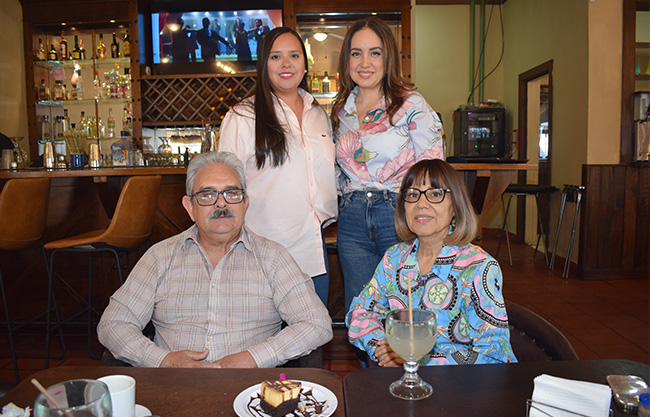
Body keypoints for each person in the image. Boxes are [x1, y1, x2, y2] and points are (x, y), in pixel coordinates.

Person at [97, 151, 333, 368]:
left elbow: (316, 323)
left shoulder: (273, 258)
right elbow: (113, 324)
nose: (221, 203)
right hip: (172, 387)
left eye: (232, 193)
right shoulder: (160, 257)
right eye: (207, 194)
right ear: (190, 207)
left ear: (245, 203)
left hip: (250, 390)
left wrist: (255, 358)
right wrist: (163, 361)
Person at [346, 159, 517, 366]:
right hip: (400, 379)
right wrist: (384, 348)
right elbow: (360, 311)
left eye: (435, 194)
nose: (421, 204)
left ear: (456, 206)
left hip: (459, 383)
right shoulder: (394, 259)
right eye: (412, 194)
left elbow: (495, 354)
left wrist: (418, 361)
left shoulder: (478, 267)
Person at [331, 17, 445, 312]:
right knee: (361, 309)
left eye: (375, 53)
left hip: (398, 214)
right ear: (346, 60)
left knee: (407, 308)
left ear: (388, 58)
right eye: (356, 53)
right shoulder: (340, 111)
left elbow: (433, 170)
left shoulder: (411, 104)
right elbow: (336, 171)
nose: (365, 62)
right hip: (352, 220)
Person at [219, 27, 337, 306]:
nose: (286, 64)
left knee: (313, 329)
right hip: (262, 252)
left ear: (305, 65)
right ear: (264, 65)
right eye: (276, 57)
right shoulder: (242, 116)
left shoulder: (319, 115)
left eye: (294, 55)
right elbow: (225, 185)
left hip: (313, 248)